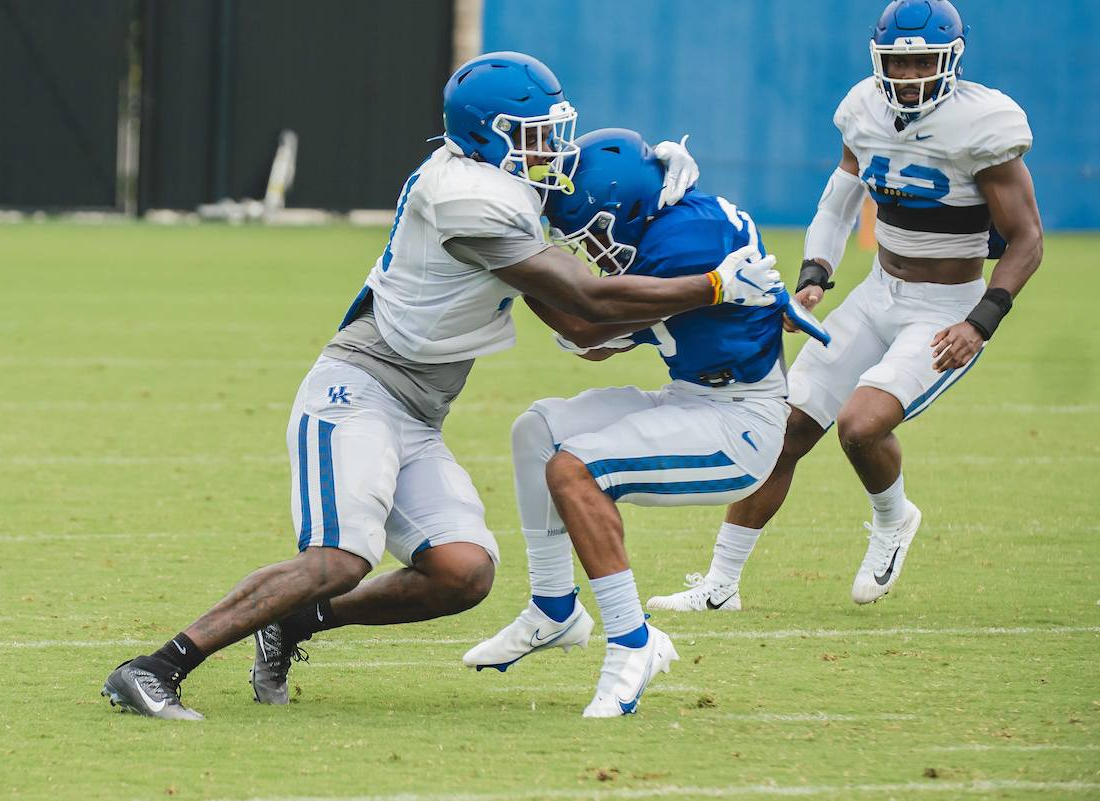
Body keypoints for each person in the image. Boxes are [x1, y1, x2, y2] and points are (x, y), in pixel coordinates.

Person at [100, 53, 784, 719]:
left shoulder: (494, 176)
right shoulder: (467, 197)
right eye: (535, 135)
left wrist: (658, 178)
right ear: (488, 137)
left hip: (418, 410)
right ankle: (156, 667)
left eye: (553, 132)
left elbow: (583, 234)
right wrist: (715, 285)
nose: (551, 149)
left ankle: (292, 623)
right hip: (359, 387)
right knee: (338, 559)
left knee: (463, 572)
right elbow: (585, 304)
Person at [648, 0, 1042, 613]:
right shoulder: (863, 108)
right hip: (876, 293)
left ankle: (893, 518)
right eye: (898, 64)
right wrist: (814, 276)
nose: (909, 77)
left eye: (924, 63)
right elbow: (839, 201)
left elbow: (1027, 239)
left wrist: (979, 322)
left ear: (952, 60)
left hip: (944, 308)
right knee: (782, 430)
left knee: (860, 426)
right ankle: (720, 586)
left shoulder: (981, 123)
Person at [463, 128, 820, 717]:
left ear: (626, 210)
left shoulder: (682, 244)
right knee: (537, 431)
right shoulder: (676, 219)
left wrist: (510, 263)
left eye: (594, 236)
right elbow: (595, 341)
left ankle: (634, 641)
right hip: (692, 396)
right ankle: (554, 609)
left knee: (574, 471)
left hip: (739, 426)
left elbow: (586, 330)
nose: (591, 254)